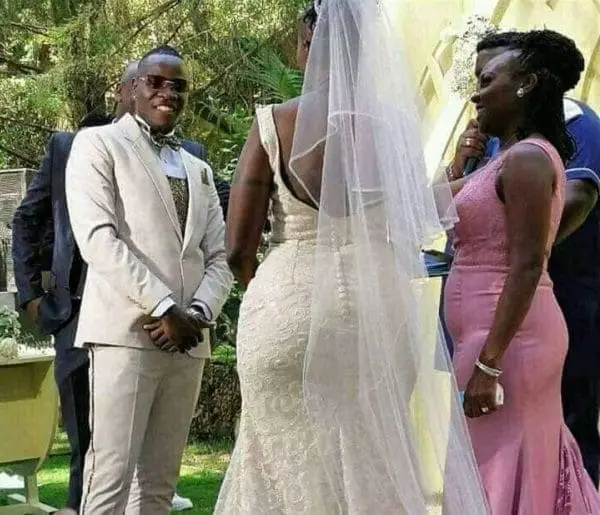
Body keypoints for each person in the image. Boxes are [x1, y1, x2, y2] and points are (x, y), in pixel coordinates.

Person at [215, 1, 489, 513]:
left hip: (289, 298)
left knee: (278, 453)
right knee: (375, 448)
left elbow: (237, 247)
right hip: (379, 301)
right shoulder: (393, 128)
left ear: (306, 43)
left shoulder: (274, 122)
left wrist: (271, 288)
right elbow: (412, 215)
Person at [65, 45, 232, 514]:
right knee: (110, 477)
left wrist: (196, 313)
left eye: (178, 86)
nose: (167, 92)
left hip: (188, 341)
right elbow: (98, 239)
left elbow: (219, 256)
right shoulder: (98, 145)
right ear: (133, 88)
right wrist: (163, 306)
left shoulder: (199, 169)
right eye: (156, 82)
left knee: (160, 483)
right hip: (127, 335)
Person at [444, 29, 600, 513]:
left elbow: (529, 261)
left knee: (501, 476)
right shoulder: (505, 156)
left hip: (508, 343)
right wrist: (458, 163)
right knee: (492, 471)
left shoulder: (530, 159)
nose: (476, 94)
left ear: (525, 84)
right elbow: (431, 206)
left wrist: (489, 364)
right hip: (487, 335)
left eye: (487, 80)